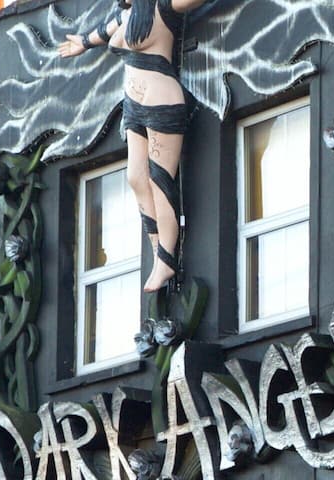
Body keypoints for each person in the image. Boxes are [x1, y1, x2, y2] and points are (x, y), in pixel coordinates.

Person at [57, 0, 205, 292]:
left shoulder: (165, 6)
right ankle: (157, 250)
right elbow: (101, 31)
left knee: (160, 181)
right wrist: (82, 43)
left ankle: (167, 258)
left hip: (160, 97)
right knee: (135, 178)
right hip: (133, 104)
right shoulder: (126, 15)